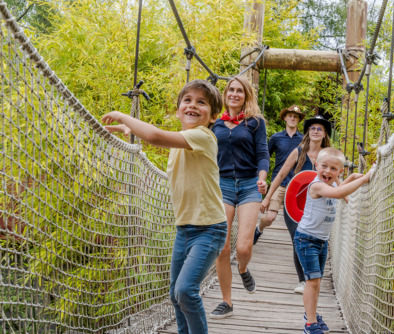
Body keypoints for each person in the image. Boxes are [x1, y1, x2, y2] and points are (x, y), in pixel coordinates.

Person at [101, 80, 227, 334]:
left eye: (201, 102)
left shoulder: (204, 136)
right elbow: (161, 137)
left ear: (213, 116)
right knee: (174, 294)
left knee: (185, 291)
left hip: (209, 229)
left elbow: (156, 136)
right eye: (187, 100)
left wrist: (122, 115)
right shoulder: (181, 141)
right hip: (185, 229)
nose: (192, 105)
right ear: (178, 109)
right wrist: (129, 127)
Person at [209, 76, 270, 319]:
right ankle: (227, 301)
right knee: (222, 248)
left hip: (249, 185)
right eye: (231, 90)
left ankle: (243, 268)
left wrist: (262, 177)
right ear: (225, 95)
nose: (235, 94)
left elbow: (263, 153)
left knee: (243, 246)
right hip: (221, 185)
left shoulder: (255, 122)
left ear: (246, 96)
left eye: (240, 91)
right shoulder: (213, 123)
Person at [295, 148, 372, 334]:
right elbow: (338, 194)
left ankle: (310, 314)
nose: (328, 171)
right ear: (316, 166)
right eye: (324, 166)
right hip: (306, 239)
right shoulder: (316, 185)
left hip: (321, 241)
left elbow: (340, 189)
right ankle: (310, 324)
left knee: (317, 281)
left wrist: (352, 177)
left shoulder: (329, 185)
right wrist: (364, 179)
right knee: (312, 281)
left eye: (333, 169)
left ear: (339, 172)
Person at [260, 115, 332, 294]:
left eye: (319, 129)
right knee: (297, 239)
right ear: (308, 131)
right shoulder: (298, 151)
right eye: (312, 128)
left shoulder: (328, 154)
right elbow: (281, 175)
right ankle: (303, 280)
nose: (315, 131)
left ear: (324, 134)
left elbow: (336, 177)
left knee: (318, 240)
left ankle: (314, 277)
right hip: (295, 203)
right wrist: (268, 197)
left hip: (319, 206)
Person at [253, 104, 305, 245]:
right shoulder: (276, 138)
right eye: (290, 116)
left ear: (299, 120)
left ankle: (299, 246)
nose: (293, 118)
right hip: (279, 183)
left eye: (295, 116)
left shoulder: (304, 140)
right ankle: (259, 229)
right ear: (285, 118)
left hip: (297, 185)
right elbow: (264, 157)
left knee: (299, 220)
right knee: (269, 217)